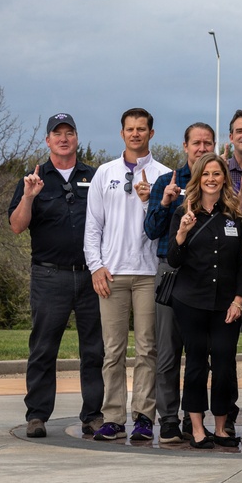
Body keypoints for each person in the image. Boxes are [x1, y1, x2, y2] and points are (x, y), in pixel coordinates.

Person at [8, 113, 103, 439]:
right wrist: (29, 196)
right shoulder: (34, 178)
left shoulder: (95, 176)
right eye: (57, 133)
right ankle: (37, 415)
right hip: (50, 276)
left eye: (69, 133)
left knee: (94, 350)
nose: (64, 138)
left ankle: (93, 415)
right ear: (47, 140)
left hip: (91, 277)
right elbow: (17, 226)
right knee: (43, 349)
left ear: (77, 138)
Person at [84, 108, 171, 442]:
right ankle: (113, 418)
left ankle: (145, 417)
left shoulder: (164, 175)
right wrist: (96, 266)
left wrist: (150, 201)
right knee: (113, 351)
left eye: (141, 129)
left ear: (151, 133)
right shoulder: (105, 173)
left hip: (149, 273)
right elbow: (93, 225)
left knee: (147, 349)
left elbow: (163, 224)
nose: (136, 134)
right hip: (112, 274)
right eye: (130, 129)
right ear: (122, 133)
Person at [167, 153, 242, 449]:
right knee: (196, 363)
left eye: (216, 173)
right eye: (206, 174)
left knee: (225, 363)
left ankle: (222, 427)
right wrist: (182, 233)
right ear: (198, 178)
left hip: (226, 305)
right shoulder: (183, 213)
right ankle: (197, 428)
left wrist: (238, 300)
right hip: (190, 301)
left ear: (224, 178)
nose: (211, 179)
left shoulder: (235, 216)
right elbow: (173, 260)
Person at [143, 122, 215, 443]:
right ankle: (169, 418)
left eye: (207, 143)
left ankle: (192, 417)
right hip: (171, 273)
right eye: (196, 143)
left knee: (200, 352)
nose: (202, 148)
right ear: (185, 146)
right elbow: (151, 230)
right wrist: (165, 203)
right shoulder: (167, 181)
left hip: (205, 276)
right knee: (168, 350)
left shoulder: (217, 181)